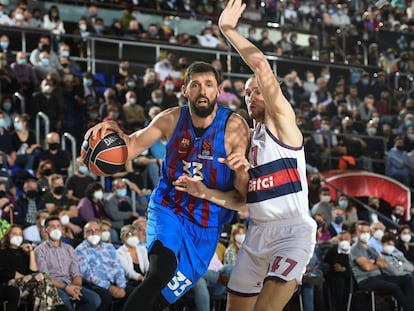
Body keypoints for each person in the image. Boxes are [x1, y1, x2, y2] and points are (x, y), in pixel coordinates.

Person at [171, 2, 316, 311]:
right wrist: (205, 191)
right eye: (248, 93)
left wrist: (228, 31)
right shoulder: (244, 144)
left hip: (292, 231)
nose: (251, 97)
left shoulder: (283, 125)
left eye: (258, 91)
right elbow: (243, 204)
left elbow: (262, 66)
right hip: (256, 234)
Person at [83, 59, 250, 310]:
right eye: (195, 85)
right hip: (169, 209)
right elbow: (130, 146)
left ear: (217, 90)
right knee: (160, 274)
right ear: (184, 90)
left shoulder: (234, 127)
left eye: (209, 85)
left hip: (207, 225)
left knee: (161, 299)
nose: (202, 91)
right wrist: (115, 128)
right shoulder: (171, 119)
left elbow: (241, 200)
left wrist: (233, 178)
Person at [35, 216, 101, 311]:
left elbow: (76, 273)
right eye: (53, 226)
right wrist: (66, 288)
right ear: (46, 230)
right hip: (53, 286)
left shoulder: (69, 248)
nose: (56, 229)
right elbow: (45, 277)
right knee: (64, 300)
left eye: (58, 226)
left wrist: (76, 287)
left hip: (71, 284)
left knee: (95, 300)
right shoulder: (40, 250)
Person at [349, 220, 414, 311]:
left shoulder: (372, 249)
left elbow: (384, 263)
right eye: (362, 232)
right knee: (394, 287)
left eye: (367, 232)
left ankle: (408, 307)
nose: (366, 234)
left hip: (380, 276)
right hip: (366, 280)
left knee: (407, 279)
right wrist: (376, 263)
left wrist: (373, 262)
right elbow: (367, 267)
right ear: (357, 233)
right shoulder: (355, 249)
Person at [0, 224, 64, 310]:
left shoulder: (24, 253)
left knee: (40, 291)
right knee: (42, 277)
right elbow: (8, 273)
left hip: (28, 286)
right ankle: (57, 304)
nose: (18, 236)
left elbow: (33, 271)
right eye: (14, 234)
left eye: (20, 234)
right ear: (8, 236)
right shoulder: (2, 252)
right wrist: (29, 277)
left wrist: (31, 251)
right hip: (11, 284)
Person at [75, 221, 127, 311]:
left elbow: (118, 267)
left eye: (96, 230)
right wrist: (109, 287)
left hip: (113, 281)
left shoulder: (109, 247)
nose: (94, 233)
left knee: (132, 293)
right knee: (105, 297)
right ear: (84, 234)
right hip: (94, 284)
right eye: (90, 231)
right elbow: (86, 274)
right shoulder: (80, 250)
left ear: (100, 233)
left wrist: (121, 286)